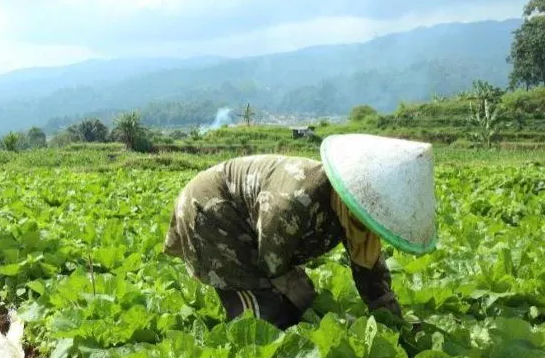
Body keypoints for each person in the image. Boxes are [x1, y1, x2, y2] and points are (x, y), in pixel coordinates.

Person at [163, 133, 437, 329]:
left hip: (254, 224)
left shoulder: (353, 209)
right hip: (213, 212)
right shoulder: (296, 201)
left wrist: (391, 318)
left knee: (296, 310)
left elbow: (368, 267)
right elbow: (272, 264)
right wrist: (298, 294)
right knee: (264, 318)